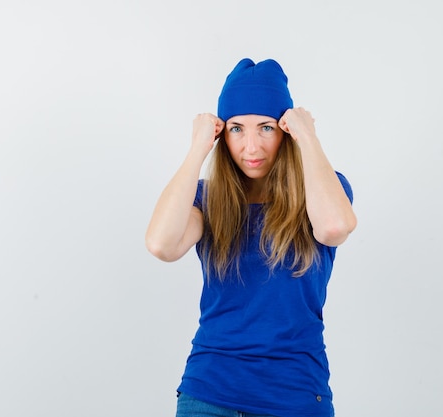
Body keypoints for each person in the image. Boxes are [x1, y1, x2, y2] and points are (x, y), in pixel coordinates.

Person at [145, 58, 357, 417]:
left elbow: (333, 228)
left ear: (285, 130)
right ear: (221, 133)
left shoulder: (322, 190)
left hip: (296, 395)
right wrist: (198, 149)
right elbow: (162, 245)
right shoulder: (205, 200)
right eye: (237, 129)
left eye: (267, 128)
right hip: (209, 393)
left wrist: (308, 136)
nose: (252, 147)